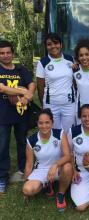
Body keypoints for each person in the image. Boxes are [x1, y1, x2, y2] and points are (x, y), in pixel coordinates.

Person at [0, 40, 35, 194]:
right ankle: (2, 176)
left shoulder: (21, 69)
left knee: (22, 141)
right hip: (3, 114)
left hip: (21, 113)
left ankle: (22, 170)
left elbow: (31, 84)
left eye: (8, 52)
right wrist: (22, 91)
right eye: (2, 53)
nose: (6, 55)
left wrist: (28, 96)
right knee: (3, 144)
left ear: (12, 53)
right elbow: (1, 88)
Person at [22, 108, 73, 211]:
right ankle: (46, 184)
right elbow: (29, 164)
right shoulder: (31, 140)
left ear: (52, 122)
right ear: (37, 123)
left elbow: (68, 156)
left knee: (67, 167)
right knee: (27, 190)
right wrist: (25, 182)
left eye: (47, 122)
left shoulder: (60, 134)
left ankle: (61, 195)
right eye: (41, 123)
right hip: (41, 169)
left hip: (58, 168)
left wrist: (55, 165)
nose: (44, 126)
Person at [36, 33, 75, 133]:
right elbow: (40, 87)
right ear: (46, 46)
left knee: (69, 132)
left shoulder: (70, 59)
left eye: (56, 43)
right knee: (54, 133)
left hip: (69, 104)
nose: (53, 46)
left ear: (61, 44)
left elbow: (75, 80)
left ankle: (68, 149)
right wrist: (43, 104)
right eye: (49, 44)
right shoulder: (43, 62)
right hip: (51, 105)